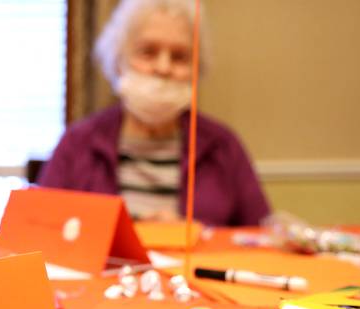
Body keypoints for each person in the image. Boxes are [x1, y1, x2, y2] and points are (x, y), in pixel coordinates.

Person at [38, 0, 270, 227]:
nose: (163, 68)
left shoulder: (223, 145)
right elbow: (40, 227)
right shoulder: (78, 141)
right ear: (119, 61)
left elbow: (262, 235)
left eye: (179, 57)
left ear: (196, 68)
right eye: (148, 52)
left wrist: (196, 235)